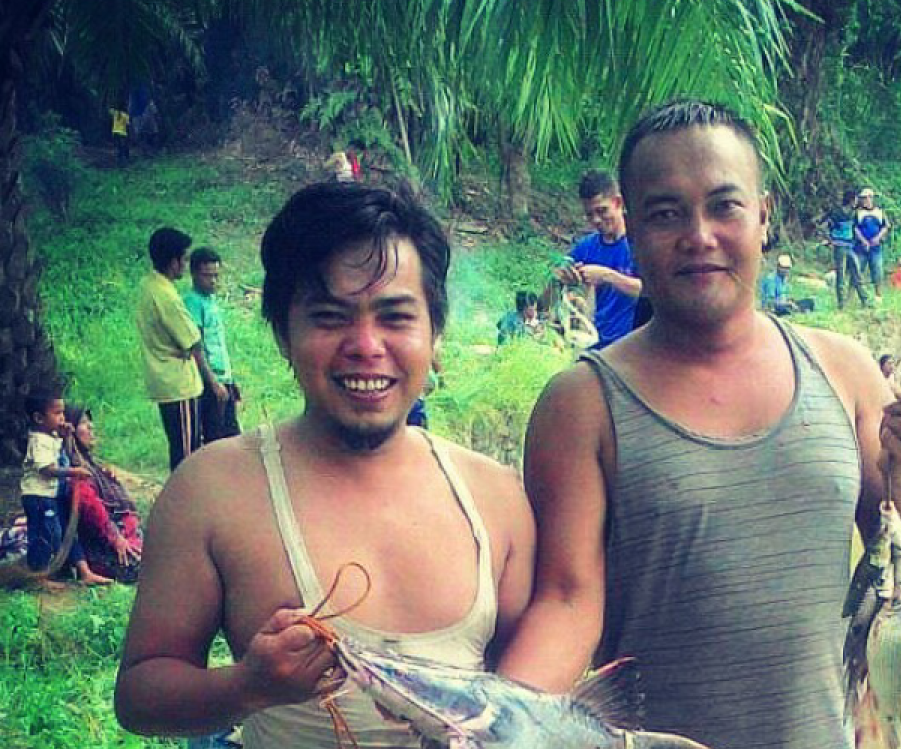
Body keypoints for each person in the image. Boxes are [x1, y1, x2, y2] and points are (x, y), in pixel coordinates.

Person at [496, 100, 901, 749]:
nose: (698, 235)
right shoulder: (582, 404)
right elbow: (568, 604)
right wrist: (493, 720)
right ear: (632, 231)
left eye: (723, 206)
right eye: (666, 213)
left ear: (763, 217)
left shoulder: (843, 371)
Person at [115, 182, 534, 749]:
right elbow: (140, 695)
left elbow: (529, 682)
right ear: (283, 334)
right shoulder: (213, 491)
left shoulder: (495, 497)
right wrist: (247, 686)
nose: (365, 345)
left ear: (436, 332)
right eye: (331, 317)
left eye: (395, 317)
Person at [20, 390, 112, 588]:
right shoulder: (38, 441)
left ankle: (83, 572)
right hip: (38, 497)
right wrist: (73, 472)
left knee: (62, 532)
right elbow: (47, 469)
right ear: (38, 418)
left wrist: (66, 437)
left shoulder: (51, 437)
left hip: (50, 496)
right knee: (44, 534)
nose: (62, 418)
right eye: (57, 413)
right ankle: (40, 576)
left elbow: (65, 454)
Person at [136, 227, 204, 471]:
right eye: (183, 259)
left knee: (180, 446)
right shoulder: (167, 296)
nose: (185, 265)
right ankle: (184, 503)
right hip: (179, 384)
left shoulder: (148, 284)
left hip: (163, 378)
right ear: (172, 260)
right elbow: (193, 340)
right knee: (187, 454)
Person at [553, 170, 642, 349]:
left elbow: (653, 291)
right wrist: (565, 278)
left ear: (618, 202)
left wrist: (607, 276)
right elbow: (550, 288)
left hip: (633, 351)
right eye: (589, 214)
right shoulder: (586, 247)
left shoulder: (642, 243)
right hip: (592, 347)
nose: (596, 220)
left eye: (602, 211)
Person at [64, 404, 143, 583]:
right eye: (84, 423)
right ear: (71, 431)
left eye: (90, 422)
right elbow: (92, 512)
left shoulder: (91, 466)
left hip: (123, 534)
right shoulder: (75, 473)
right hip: (100, 546)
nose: (91, 427)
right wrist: (116, 538)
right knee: (147, 567)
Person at [183, 247, 242, 445]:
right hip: (209, 380)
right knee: (216, 438)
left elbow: (217, 343)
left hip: (224, 377)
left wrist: (230, 379)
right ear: (193, 274)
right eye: (207, 276)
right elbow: (196, 347)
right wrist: (213, 382)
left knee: (233, 434)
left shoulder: (211, 300)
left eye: (216, 275)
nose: (213, 281)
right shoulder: (192, 302)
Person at [826, 188, 870, 309]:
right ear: (851, 200)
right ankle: (842, 304)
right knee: (841, 275)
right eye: (855, 200)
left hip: (850, 246)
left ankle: (865, 300)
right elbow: (827, 226)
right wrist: (831, 240)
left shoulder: (854, 214)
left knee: (857, 273)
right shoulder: (837, 213)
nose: (856, 202)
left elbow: (854, 229)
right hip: (839, 246)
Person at [854, 187, 889, 301]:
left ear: (871, 198)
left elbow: (886, 226)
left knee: (877, 271)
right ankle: (854, 295)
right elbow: (855, 228)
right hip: (861, 247)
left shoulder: (879, 211)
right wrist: (863, 240)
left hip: (876, 247)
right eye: (863, 198)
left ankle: (878, 295)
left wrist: (878, 237)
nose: (865, 200)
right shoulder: (858, 212)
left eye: (867, 198)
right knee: (858, 271)